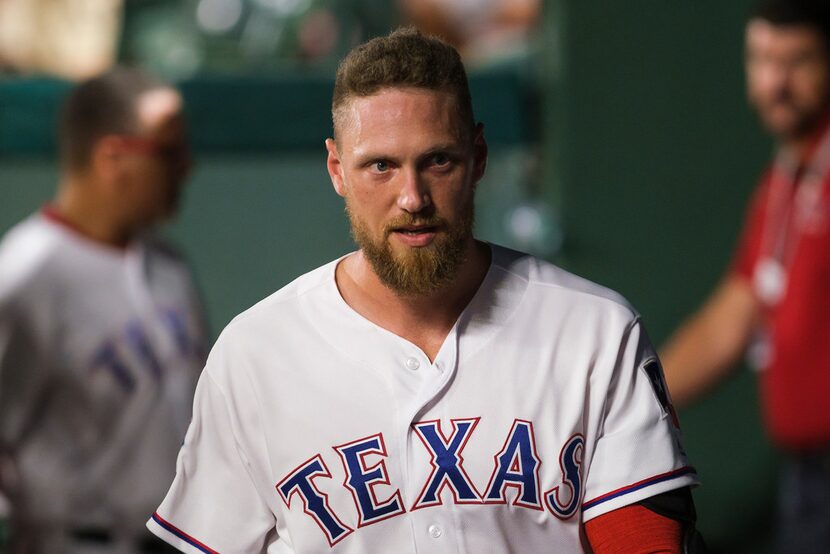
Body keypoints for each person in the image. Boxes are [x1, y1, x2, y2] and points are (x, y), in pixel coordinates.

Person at [148, 27, 701, 553]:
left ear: (478, 157)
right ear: (337, 169)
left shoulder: (594, 330)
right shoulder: (254, 355)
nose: (412, 197)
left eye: (437, 161)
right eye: (381, 166)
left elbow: (643, 542)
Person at [0, 67, 208, 553]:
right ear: (113, 157)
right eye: (169, 152)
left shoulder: (169, 267)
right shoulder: (24, 277)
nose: (187, 167)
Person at [660, 0, 830, 551]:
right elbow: (729, 324)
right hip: (805, 477)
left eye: (798, 60)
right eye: (762, 59)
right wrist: (625, 401)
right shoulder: (781, 181)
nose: (777, 82)